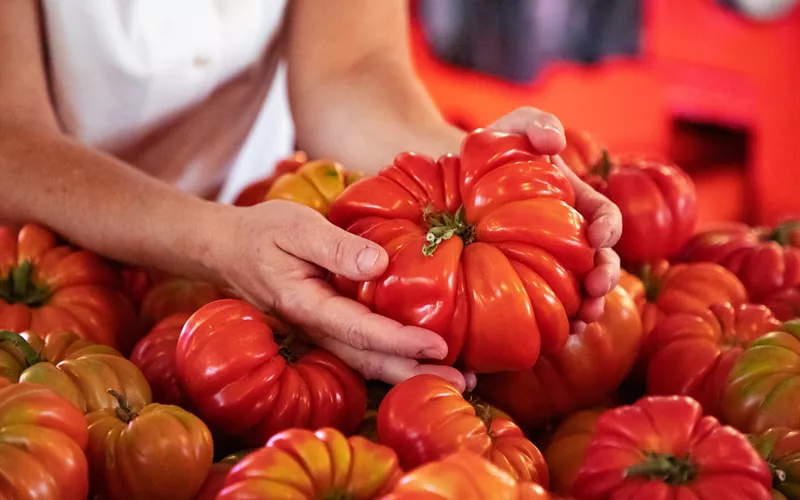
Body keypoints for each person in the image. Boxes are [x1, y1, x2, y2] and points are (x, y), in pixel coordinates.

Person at [0, 1, 621, 392]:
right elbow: (10, 138)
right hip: (36, 253)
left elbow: (351, 74)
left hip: (266, 237)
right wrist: (215, 241)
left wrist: (473, 167)